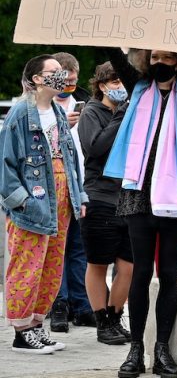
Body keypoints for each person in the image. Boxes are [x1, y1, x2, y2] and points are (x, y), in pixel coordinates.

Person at [81, 0, 177, 376]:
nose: (161, 62)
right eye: (156, 57)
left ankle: (162, 350)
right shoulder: (138, 85)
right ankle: (135, 352)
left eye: (168, 58)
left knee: (168, 274)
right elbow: (111, 46)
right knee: (141, 272)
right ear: (148, 58)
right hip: (137, 194)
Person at [1, 54, 88, 354]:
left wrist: (80, 197)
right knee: (26, 266)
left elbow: (71, 160)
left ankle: (36, 325)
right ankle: (21, 331)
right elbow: (6, 166)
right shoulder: (19, 115)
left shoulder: (58, 113)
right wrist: (22, 203)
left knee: (51, 268)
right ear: (37, 78)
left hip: (61, 200)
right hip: (33, 203)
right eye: (54, 71)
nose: (61, 76)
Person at [77, 61, 133, 345]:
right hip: (100, 197)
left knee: (129, 266)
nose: (121, 87)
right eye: (115, 82)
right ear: (102, 86)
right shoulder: (91, 112)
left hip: (130, 198)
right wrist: (119, 116)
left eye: (124, 82)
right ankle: (102, 322)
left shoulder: (129, 113)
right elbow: (95, 148)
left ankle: (115, 316)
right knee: (98, 263)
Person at [49, 52, 94, 332]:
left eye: (73, 81)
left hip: (81, 185)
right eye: (63, 82)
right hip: (55, 185)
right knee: (57, 249)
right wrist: (64, 124)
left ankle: (81, 302)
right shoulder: (41, 107)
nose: (68, 87)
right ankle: (59, 303)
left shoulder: (85, 106)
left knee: (79, 248)